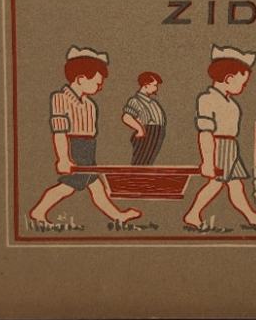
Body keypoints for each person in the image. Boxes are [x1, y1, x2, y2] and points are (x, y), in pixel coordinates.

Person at [28, 46, 142, 226]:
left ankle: (117, 216)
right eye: (97, 83)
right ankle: (39, 211)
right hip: (74, 148)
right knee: (69, 186)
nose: (100, 87)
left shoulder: (90, 104)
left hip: (89, 148)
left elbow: (90, 135)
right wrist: (63, 158)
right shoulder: (61, 98)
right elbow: (59, 132)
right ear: (81, 79)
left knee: (96, 186)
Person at [183, 45, 256, 229]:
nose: (243, 87)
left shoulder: (231, 103)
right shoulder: (207, 99)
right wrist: (207, 162)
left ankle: (251, 216)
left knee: (235, 184)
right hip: (219, 146)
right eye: (242, 83)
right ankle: (192, 214)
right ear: (229, 78)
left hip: (231, 147)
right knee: (216, 184)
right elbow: (205, 132)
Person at [121, 71, 166, 165]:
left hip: (156, 134)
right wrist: (140, 129)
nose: (156, 88)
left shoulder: (153, 102)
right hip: (147, 134)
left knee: (149, 162)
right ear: (145, 85)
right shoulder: (135, 100)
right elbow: (127, 117)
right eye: (154, 85)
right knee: (140, 162)